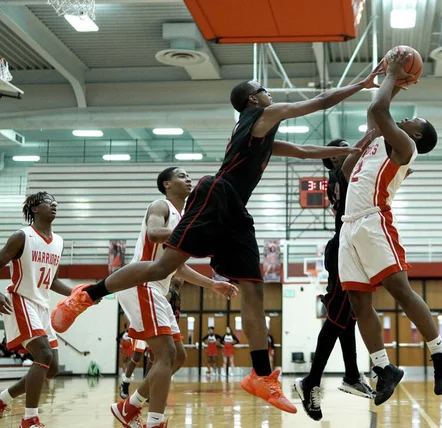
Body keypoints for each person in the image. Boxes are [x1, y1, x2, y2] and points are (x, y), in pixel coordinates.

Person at [51, 71, 382, 414]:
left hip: (236, 210)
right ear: (253, 99)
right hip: (217, 194)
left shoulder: (264, 135)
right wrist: (361, 84)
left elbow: (302, 150)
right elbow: (316, 103)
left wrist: (357, 148)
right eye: (264, 90)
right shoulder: (259, 116)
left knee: (253, 289)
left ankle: (261, 375)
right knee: (164, 266)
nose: (269, 94)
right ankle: (87, 296)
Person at [339, 49, 442, 406]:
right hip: (349, 227)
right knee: (359, 302)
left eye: (413, 121)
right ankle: (383, 368)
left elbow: (378, 110)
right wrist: (386, 82)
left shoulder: (405, 148)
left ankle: (440, 352)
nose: (406, 120)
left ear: (417, 137)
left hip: (375, 220)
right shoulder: (378, 141)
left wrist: (391, 74)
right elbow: (348, 171)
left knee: (399, 289)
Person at [86, 167, 237, 428]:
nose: (188, 179)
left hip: (157, 289)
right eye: (181, 175)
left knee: (178, 356)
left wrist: (213, 285)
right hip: (140, 283)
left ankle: (129, 405)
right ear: (167, 184)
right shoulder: (161, 206)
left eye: (189, 176)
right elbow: (154, 234)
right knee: (165, 353)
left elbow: (177, 266)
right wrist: (195, 232)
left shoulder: (184, 217)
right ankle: (155, 421)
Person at [294, 133, 380, 421]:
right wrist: (377, 131)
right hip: (342, 247)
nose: (349, 149)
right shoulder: (339, 173)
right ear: (331, 158)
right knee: (338, 315)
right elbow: (363, 149)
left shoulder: (350, 175)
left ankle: (352, 374)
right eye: (341, 148)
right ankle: (312, 380)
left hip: (351, 246)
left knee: (347, 315)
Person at [0, 192, 78, 427]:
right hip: (20, 300)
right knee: (42, 355)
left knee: (51, 368)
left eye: (56, 201)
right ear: (34, 209)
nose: (54, 204)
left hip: (42, 305)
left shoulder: (59, 241)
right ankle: (30, 419)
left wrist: (79, 294)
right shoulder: (21, 236)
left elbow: (52, 281)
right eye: (47, 201)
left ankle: (2, 399)